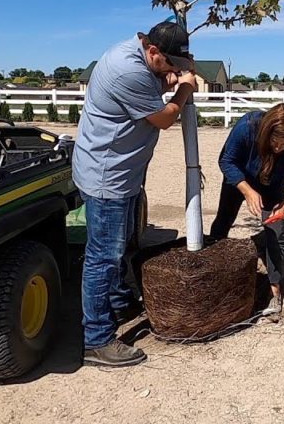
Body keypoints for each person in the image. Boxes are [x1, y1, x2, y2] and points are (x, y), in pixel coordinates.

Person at [72, 20, 197, 367]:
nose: (174, 71)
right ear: (153, 50)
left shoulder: (139, 56)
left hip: (122, 173)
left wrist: (169, 77)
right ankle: (96, 340)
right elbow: (164, 118)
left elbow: (154, 82)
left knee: (119, 245)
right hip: (107, 177)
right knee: (103, 257)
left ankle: (117, 300)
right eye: (170, 64)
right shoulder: (127, 71)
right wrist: (184, 89)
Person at [209, 103, 284, 317]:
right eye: (274, 141)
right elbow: (226, 160)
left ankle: (275, 289)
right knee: (223, 221)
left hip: (273, 185)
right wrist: (247, 190)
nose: (278, 148)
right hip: (239, 179)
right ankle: (213, 274)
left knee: (276, 232)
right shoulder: (248, 126)